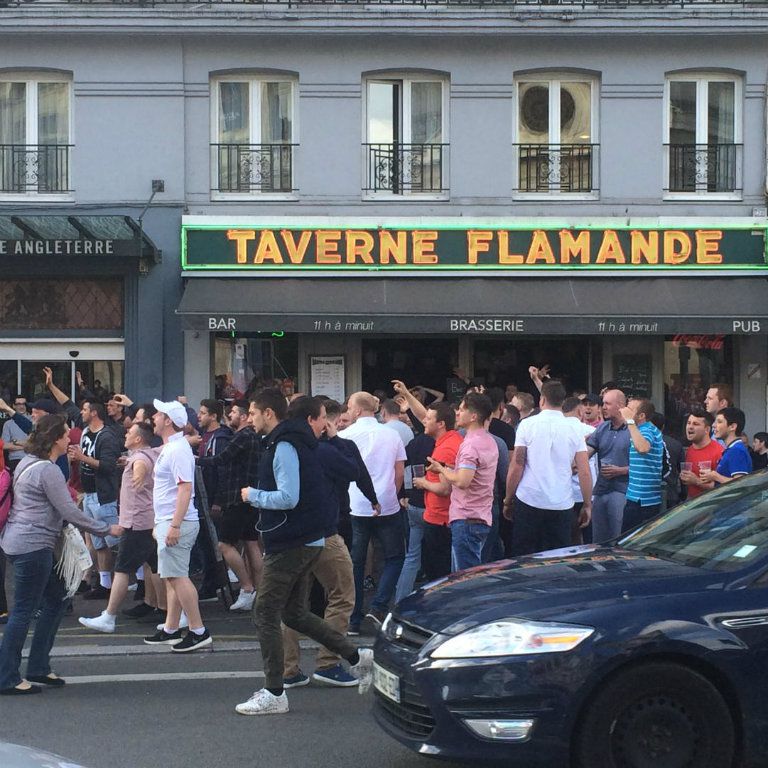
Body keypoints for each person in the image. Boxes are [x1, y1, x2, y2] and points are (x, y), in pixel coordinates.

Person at [236, 389, 373, 715]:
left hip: (292, 540)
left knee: (265, 611)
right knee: (293, 613)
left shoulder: (285, 444)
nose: (249, 418)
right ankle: (357, 658)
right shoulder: (299, 442)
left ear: (269, 413)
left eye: (253, 412)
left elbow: (288, 497)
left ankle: (274, 692)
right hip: (306, 538)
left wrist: (252, 495)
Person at [0, 415, 122, 695]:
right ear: (55, 438)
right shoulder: (48, 470)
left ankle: (38, 667)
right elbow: (68, 511)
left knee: (56, 598)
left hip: (19, 541)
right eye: (67, 435)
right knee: (23, 610)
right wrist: (107, 528)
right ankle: (7, 676)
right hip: (33, 545)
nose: (71, 439)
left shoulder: (27, 463)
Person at [281, 396, 361, 688]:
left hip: (287, 535)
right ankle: (328, 661)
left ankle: (287, 669)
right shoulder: (323, 450)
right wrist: (334, 438)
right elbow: (353, 471)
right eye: (324, 417)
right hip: (322, 533)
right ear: (314, 421)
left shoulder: (280, 448)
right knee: (342, 593)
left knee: (290, 604)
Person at [143, 399, 212, 652]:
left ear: (168, 420)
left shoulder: (177, 449)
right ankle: (171, 628)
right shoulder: (174, 448)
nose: (154, 418)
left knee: (177, 576)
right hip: (170, 521)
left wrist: (173, 525)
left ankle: (198, 630)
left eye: (158, 415)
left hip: (177, 523)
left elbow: (185, 488)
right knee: (172, 576)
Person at [78, 422, 158, 633]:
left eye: (130, 432)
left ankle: (109, 617)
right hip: (146, 522)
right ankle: (179, 614)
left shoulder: (140, 460)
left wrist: (138, 475)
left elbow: (140, 467)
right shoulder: (148, 454)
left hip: (137, 523)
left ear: (139, 439)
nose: (125, 434)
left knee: (122, 569)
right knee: (162, 570)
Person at [504, 381, 592, 556]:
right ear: (562, 402)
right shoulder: (573, 429)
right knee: (558, 557)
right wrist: (587, 505)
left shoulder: (527, 425)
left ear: (542, 400)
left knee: (524, 556)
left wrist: (508, 499)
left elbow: (517, 465)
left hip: (529, 498)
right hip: (562, 503)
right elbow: (584, 470)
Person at [343, 391, 406, 629]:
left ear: (358, 410)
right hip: (387, 503)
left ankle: (354, 618)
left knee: (356, 562)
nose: (348, 411)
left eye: (349, 407)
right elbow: (399, 472)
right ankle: (379, 605)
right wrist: (392, 493)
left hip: (356, 504)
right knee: (395, 556)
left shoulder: (345, 435)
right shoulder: (392, 435)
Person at [197, 399, 262, 612]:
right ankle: (261, 592)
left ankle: (246, 588)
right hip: (249, 497)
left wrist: (194, 459)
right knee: (251, 543)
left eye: (233, 412)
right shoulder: (250, 437)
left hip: (237, 497)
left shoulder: (243, 436)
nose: (229, 415)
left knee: (224, 544)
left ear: (243, 416)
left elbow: (221, 459)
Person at [428, 392, 498, 570]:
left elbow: (462, 481)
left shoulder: (470, 444)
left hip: (467, 518)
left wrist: (442, 469)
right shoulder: (489, 441)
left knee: (465, 579)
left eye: (461, 409)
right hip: (482, 515)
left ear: (473, 416)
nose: (457, 413)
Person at [67, 400, 122, 599]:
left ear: (94, 413)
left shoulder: (106, 436)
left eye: (84, 409)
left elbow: (108, 466)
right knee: (99, 542)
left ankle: (140, 579)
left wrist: (83, 458)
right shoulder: (85, 431)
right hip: (89, 494)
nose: (81, 412)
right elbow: (69, 407)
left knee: (114, 540)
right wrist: (52, 384)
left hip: (103, 496)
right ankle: (104, 584)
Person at [412, 402, 462, 579]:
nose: (424, 421)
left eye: (429, 418)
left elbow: (444, 488)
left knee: (437, 575)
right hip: (445, 517)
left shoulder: (445, 449)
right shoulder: (452, 439)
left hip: (440, 519)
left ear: (440, 424)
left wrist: (423, 483)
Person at [585, 389, 630, 542]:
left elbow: (644, 465)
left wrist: (622, 470)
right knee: (598, 540)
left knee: (618, 538)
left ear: (621, 406)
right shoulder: (602, 428)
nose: (603, 407)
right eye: (603, 403)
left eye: (607, 404)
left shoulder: (633, 430)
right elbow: (587, 453)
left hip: (622, 490)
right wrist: (574, 464)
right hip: (601, 489)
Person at [620, 399, 666, 532]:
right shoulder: (642, 429)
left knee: (628, 540)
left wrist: (629, 421)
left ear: (641, 416)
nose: (625, 412)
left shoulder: (646, 430)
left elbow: (643, 447)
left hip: (642, 500)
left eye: (630, 410)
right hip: (637, 496)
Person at [700, 407, 752, 486]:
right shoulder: (731, 449)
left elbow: (741, 484)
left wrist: (715, 476)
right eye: (714, 422)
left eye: (719, 422)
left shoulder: (736, 451)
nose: (714, 425)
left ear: (732, 427)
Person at [679, 407, 723, 500]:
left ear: (707, 429)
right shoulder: (690, 450)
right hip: (691, 502)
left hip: (710, 504)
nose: (690, 427)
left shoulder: (719, 452)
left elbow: (723, 487)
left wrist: (696, 481)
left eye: (695, 424)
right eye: (688, 423)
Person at [650, 412, 683, 510]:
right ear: (663, 426)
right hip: (671, 493)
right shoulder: (675, 444)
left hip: (648, 495)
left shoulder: (641, 443)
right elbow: (682, 471)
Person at [2, 396, 29, 472]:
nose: (21, 406)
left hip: (33, 457)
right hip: (16, 459)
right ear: (13, 406)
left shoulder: (33, 420)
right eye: (18, 404)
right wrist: (27, 446)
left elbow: (38, 442)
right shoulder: (8, 424)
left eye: (24, 404)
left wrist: (15, 443)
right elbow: (4, 445)